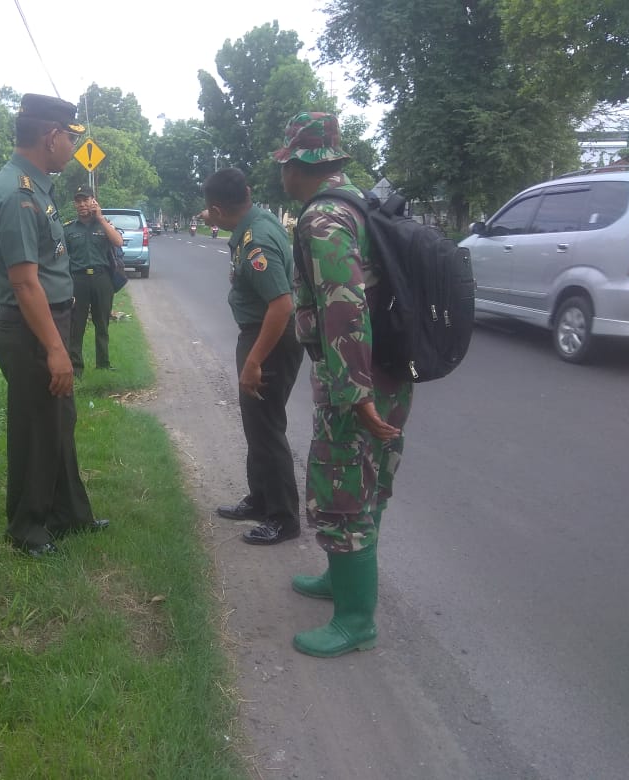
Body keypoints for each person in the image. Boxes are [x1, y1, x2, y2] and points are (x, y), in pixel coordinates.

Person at [275, 111, 412, 657]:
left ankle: (356, 620)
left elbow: (344, 307)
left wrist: (354, 395)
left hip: (357, 382)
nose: (281, 174)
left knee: (343, 489)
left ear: (297, 166)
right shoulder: (360, 202)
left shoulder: (324, 218)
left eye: (284, 164)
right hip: (390, 372)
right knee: (367, 481)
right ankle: (341, 580)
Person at [0, 93, 110, 557]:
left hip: (47, 324)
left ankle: (69, 513)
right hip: (32, 329)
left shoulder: (36, 187)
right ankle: (27, 529)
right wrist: (56, 348)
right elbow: (25, 284)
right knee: (36, 428)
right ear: (51, 136)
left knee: (59, 422)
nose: (73, 148)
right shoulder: (18, 194)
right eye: (70, 139)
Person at [202, 168, 305, 545]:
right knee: (256, 426)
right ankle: (261, 498)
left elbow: (281, 305)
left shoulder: (255, 238)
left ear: (217, 208)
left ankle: (284, 517)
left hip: (270, 338)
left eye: (207, 210)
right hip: (263, 333)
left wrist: (254, 361)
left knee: (266, 427)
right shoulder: (255, 220)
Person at [64, 185, 124, 376]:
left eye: (85, 200)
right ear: (75, 204)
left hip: (101, 278)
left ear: (93, 201)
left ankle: (103, 364)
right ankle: (76, 369)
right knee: (76, 325)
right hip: (78, 280)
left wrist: (100, 217)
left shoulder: (103, 225)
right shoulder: (69, 229)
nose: (82, 204)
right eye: (78, 201)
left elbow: (118, 241)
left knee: (102, 323)